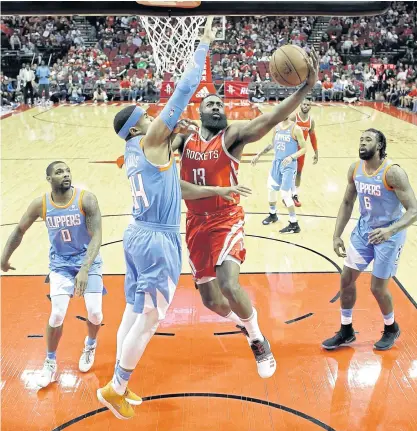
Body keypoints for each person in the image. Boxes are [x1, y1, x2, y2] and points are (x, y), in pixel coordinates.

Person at [96, 17, 250, 420]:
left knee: (132, 311)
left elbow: (170, 179)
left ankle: (117, 382)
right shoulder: (149, 140)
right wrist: (202, 45)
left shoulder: (132, 152)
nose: (153, 118)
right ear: (137, 128)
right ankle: (117, 387)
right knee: (148, 321)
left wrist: (215, 190)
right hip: (157, 240)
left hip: (135, 235)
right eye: (146, 117)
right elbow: (184, 92)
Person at [173, 47, 318, 379]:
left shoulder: (233, 136)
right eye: (211, 104)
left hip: (226, 218)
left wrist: (304, 88)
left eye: (220, 104)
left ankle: (257, 338)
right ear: (199, 111)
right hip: (195, 223)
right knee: (211, 301)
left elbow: (270, 119)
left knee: (228, 283)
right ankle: (244, 322)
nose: (217, 106)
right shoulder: (185, 140)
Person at [1, 162, 104, 387]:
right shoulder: (41, 204)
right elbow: (19, 230)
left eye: (67, 170)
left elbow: (97, 236)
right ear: (49, 179)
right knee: (57, 314)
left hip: (89, 261)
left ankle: (90, 343)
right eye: (59, 172)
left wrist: (85, 269)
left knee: (95, 314)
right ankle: (49, 361)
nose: (65, 174)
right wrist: (4, 257)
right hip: (60, 264)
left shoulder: (86, 199)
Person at [322, 129, 417, 351]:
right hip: (364, 231)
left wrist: (390, 231)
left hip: (389, 236)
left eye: (368, 140)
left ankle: (391, 327)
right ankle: (346, 331)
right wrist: (337, 235)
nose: (362, 143)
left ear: (380, 146)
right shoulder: (355, 169)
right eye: (361, 139)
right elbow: (347, 203)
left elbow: (413, 210)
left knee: (377, 288)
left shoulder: (393, 173)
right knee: (346, 279)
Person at [251, 117, 307, 232]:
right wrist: (259, 154)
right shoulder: (276, 127)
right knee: (271, 190)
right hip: (276, 163)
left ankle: (294, 223)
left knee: (285, 194)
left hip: (289, 165)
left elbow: (304, 149)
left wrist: (291, 157)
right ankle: (273, 215)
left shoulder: (295, 129)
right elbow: (272, 144)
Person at [287, 99, 318, 206]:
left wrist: (316, 152)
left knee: (299, 172)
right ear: (300, 105)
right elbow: (283, 129)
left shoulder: (311, 121)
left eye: (307, 104)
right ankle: (287, 194)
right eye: (304, 104)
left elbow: (313, 137)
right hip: (290, 149)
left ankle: (295, 194)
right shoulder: (293, 117)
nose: (305, 106)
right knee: (288, 172)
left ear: (310, 107)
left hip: (301, 150)